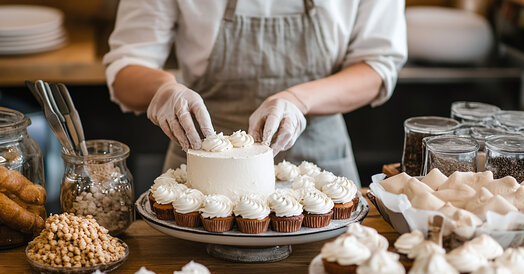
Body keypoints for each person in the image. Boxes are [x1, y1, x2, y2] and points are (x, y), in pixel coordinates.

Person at [104, 0, 407, 185]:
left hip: (319, 163)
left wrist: (298, 101)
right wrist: (163, 91)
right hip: (202, 166)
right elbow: (126, 70)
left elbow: (376, 66)